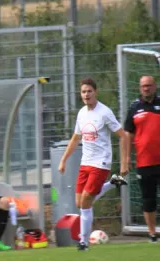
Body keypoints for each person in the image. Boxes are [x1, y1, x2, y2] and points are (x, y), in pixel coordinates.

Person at [59, 77, 129, 251]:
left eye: (89, 91)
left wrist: (124, 161)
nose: (86, 94)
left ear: (96, 92)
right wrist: (63, 159)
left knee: (86, 201)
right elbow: (76, 138)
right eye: (83, 91)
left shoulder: (104, 112)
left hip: (101, 162)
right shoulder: (82, 113)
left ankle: (83, 242)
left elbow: (123, 136)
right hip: (86, 162)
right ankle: (112, 183)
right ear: (80, 94)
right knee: (80, 202)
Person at [124, 75, 160, 243]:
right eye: (143, 86)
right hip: (144, 162)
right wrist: (126, 158)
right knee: (148, 199)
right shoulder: (134, 107)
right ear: (140, 88)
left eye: (149, 85)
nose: (146, 88)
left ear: (155, 86)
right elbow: (127, 134)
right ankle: (152, 234)